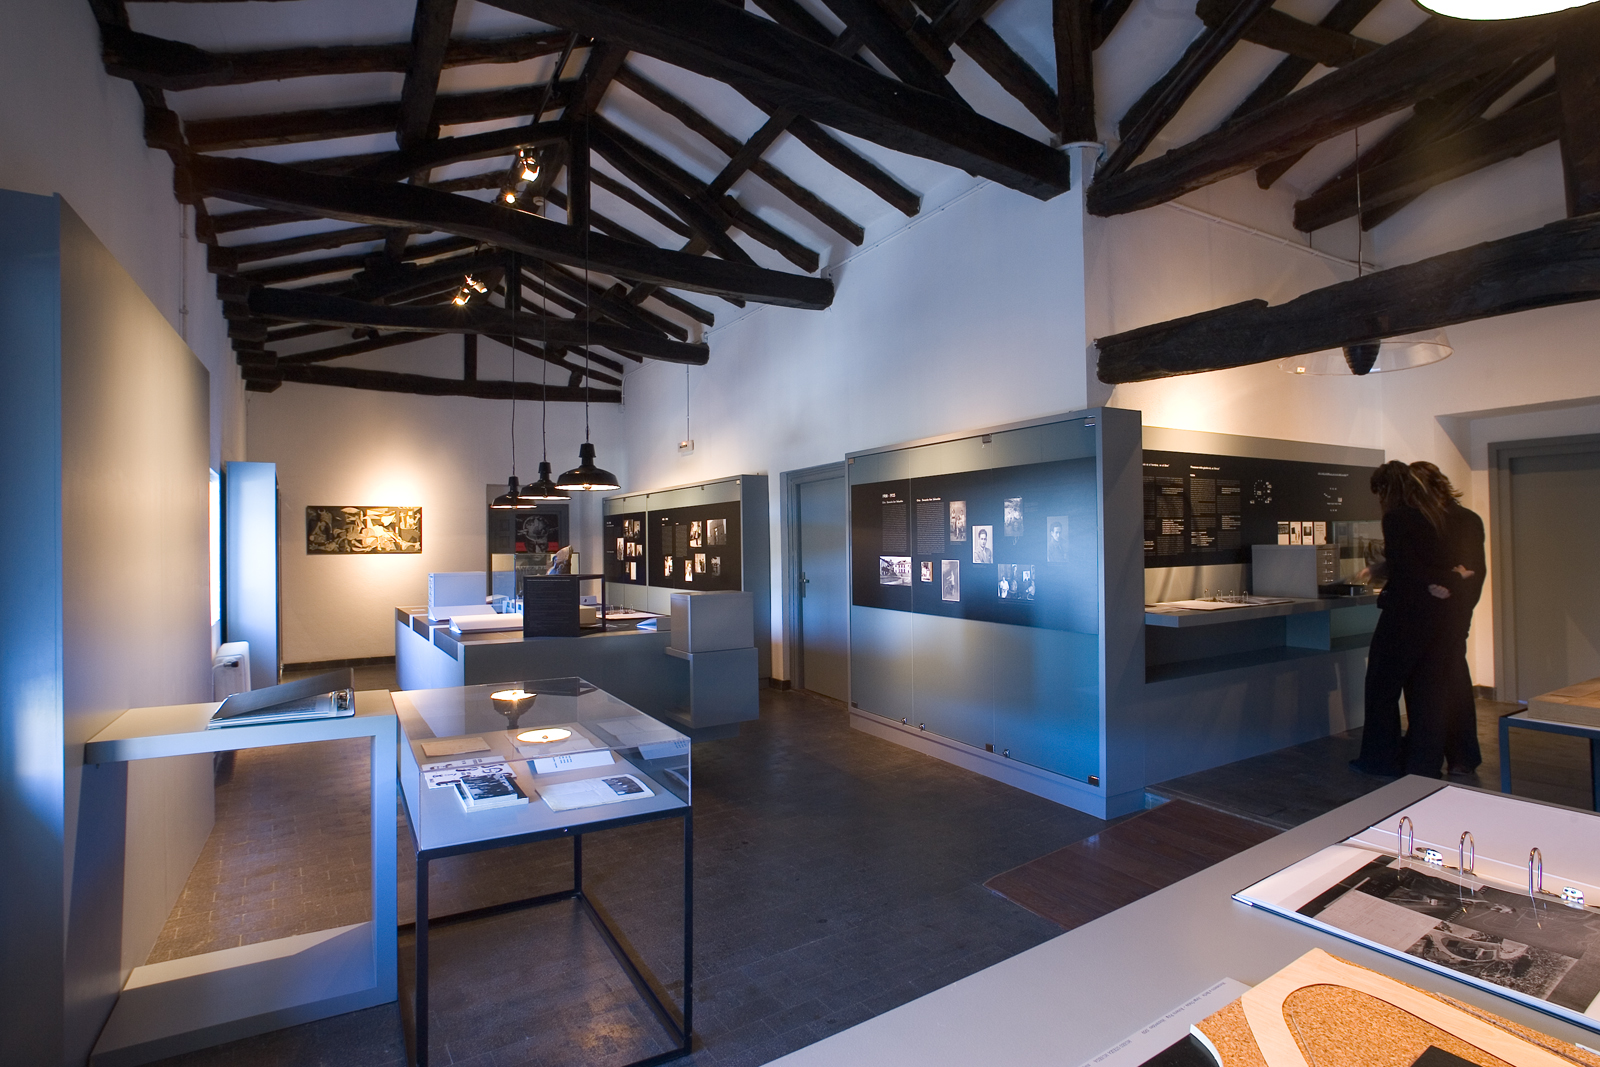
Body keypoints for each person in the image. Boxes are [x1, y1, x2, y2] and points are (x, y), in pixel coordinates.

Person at [1353, 461, 1457, 777]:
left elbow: (1405, 568)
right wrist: (1443, 581)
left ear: (1387, 490)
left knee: (1381, 687)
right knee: (1426, 691)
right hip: (1434, 616)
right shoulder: (1432, 515)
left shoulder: (1397, 518)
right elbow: (1431, 563)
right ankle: (1422, 762)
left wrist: (1383, 576)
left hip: (1403, 615)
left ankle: (1380, 759)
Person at [1410, 461, 1487, 776]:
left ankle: (1437, 756)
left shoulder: (1435, 521)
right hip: (1456, 612)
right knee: (1453, 680)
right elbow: (1473, 572)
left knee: (1437, 684)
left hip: (1443, 613)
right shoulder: (1467, 518)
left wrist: (1440, 587)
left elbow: (1467, 571)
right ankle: (1462, 757)